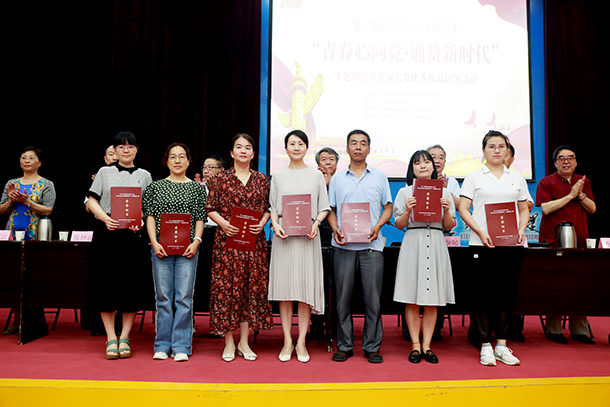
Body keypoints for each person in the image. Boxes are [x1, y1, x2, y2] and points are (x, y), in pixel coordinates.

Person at [459, 130, 529, 366]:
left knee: (507, 295)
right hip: (482, 244)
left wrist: (522, 229)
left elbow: (523, 208)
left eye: (501, 146)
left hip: (511, 245)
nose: (497, 150)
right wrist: (480, 232)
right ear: (483, 150)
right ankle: (485, 345)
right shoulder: (473, 177)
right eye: (492, 146)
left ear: (507, 150)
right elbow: (464, 209)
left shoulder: (516, 178)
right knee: (482, 296)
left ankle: (501, 345)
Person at [327, 129, 393, 364]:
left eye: (362, 143)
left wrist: (378, 225)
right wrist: (335, 228)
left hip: (372, 247)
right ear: (347, 148)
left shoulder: (380, 176)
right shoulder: (337, 179)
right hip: (343, 246)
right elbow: (330, 209)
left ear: (369, 149)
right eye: (353, 143)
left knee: (372, 301)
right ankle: (344, 345)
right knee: (342, 300)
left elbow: (388, 207)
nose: (357, 147)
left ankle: (372, 346)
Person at [86, 131, 152, 360]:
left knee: (130, 286)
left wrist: (140, 220)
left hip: (132, 237)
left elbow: (147, 206)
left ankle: (125, 337)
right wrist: (105, 218)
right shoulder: (104, 172)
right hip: (107, 234)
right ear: (114, 150)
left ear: (136, 150)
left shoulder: (145, 175)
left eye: (130, 146)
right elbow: (91, 200)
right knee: (105, 285)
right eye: (121, 146)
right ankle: (110, 337)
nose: (126, 150)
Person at [206, 133, 273, 362]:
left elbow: (269, 208)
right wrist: (224, 224)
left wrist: (262, 223)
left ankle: (244, 342)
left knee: (247, 290)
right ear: (232, 153)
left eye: (247, 147)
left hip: (254, 243)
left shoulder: (262, 180)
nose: (243, 151)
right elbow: (210, 207)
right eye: (239, 147)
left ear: (253, 153)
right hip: (227, 243)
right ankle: (229, 342)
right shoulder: (220, 179)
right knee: (227, 291)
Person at [268, 130, 330, 363]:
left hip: (308, 238)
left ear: (306, 147)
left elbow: (324, 207)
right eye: (292, 144)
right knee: (285, 291)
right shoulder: (278, 176)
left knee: (305, 291)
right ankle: (287, 340)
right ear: (285, 148)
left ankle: (301, 341)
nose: (296, 147)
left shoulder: (316, 175)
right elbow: (273, 208)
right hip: (284, 237)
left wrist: (316, 223)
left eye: (300, 143)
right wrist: (275, 225)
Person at [142, 143, 207, 362]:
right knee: (163, 297)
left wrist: (196, 242)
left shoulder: (197, 188)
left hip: (189, 246)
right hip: (161, 245)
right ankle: (162, 344)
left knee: (184, 297)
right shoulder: (155, 187)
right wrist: (154, 242)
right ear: (166, 161)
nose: (177, 161)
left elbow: (200, 218)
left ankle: (181, 345)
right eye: (173, 157)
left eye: (182, 157)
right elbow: (150, 217)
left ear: (189, 161)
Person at [393, 150, 455, 364]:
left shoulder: (445, 193)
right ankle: (415, 345)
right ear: (412, 168)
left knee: (432, 300)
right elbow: (399, 224)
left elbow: (449, 226)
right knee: (412, 298)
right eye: (417, 163)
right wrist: (407, 211)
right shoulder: (404, 192)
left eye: (427, 162)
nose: (423, 166)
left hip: (436, 241)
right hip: (413, 242)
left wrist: (447, 212)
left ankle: (427, 346)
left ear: (433, 167)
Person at [536, 145, 596, 345]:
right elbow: (546, 208)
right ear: (555, 163)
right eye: (561, 158)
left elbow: (592, 208)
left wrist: (580, 195)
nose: (566, 161)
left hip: (580, 242)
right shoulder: (546, 182)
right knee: (556, 285)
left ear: (576, 162)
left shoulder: (583, 181)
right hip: (554, 243)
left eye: (570, 158)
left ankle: (579, 330)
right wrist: (571, 195)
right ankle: (553, 329)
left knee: (580, 286)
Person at [0, 147, 56, 335]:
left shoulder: (46, 184)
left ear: (40, 163)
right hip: (12, 235)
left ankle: (34, 323)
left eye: (31, 158)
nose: (27, 160)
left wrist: (27, 202)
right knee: (13, 278)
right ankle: (17, 319)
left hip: (35, 236)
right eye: (23, 157)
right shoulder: (12, 183)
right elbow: (2, 210)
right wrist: (11, 200)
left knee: (33, 279)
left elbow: (48, 209)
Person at [427, 144, 461, 209]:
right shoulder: (418, 180)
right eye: (433, 157)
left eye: (441, 158)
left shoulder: (451, 181)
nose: (437, 161)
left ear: (444, 162)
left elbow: (460, 206)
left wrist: (444, 191)